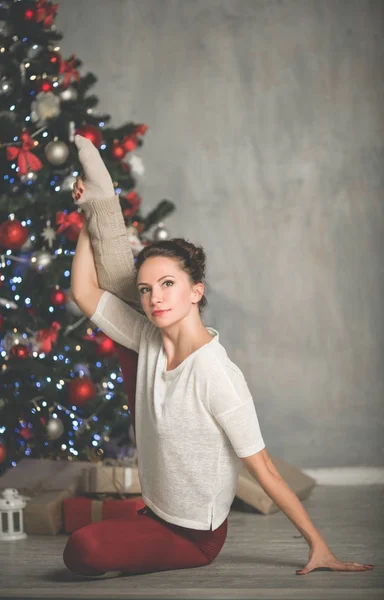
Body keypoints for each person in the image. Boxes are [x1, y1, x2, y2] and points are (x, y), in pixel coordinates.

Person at [62, 135, 374, 578]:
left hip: (195, 535)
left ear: (197, 292)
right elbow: (85, 291)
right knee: (126, 317)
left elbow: (264, 469)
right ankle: (101, 202)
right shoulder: (150, 338)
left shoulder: (217, 374)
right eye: (148, 289)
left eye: (169, 284)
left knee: (81, 551)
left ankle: (103, 205)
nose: (155, 298)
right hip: (156, 507)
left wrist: (319, 546)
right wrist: (85, 219)